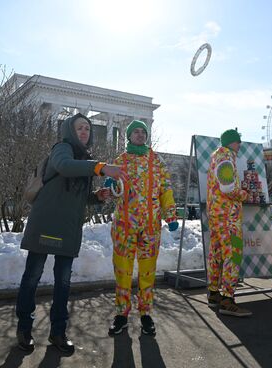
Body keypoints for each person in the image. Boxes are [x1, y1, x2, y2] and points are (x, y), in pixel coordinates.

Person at [16, 113, 126, 354]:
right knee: (32, 276)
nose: (85, 131)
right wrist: (101, 167)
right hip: (45, 224)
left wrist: (95, 198)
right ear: (69, 130)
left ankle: (58, 332)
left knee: (63, 282)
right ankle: (24, 328)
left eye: (87, 128)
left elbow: (75, 196)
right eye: (80, 127)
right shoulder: (62, 148)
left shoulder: (84, 159)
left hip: (67, 228)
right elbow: (65, 167)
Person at [106, 120, 178, 337]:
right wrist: (110, 185)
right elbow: (112, 187)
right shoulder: (121, 161)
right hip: (124, 228)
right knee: (123, 272)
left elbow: (165, 189)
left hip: (150, 228)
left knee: (147, 273)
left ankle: (146, 314)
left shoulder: (156, 162)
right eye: (135, 132)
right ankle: (121, 315)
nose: (140, 135)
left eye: (143, 132)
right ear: (128, 136)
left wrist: (170, 214)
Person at [205, 129, 252, 317]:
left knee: (216, 253)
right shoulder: (225, 157)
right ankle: (227, 300)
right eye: (237, 141)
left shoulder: (216, 157)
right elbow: (227, 187)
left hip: (217, 215)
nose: (240, 144)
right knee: (233, 254)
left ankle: (214, 294)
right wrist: (244, 194)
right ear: (230, 142)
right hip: (228, 217)